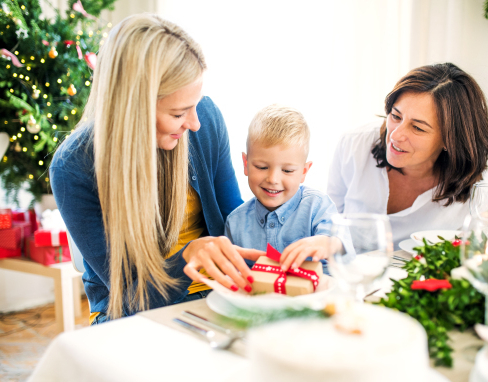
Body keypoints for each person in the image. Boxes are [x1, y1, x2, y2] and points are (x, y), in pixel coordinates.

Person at [50, 14, 264, 324]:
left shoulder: (206, 119)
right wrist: (188, 256)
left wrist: (307, 227)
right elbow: (129, 298)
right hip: (134, 315)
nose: (195, 123)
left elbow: (240, 227)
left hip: (220, 295)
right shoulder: (74, 166)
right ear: (134, 109)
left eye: (195, 104)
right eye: (178, 113)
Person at [327, 63, 488, 247]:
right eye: (396, 116)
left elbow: (482, 262)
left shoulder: (480, 193)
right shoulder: (354, 144)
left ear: (450, 139)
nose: (395, 135)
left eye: (417, 128)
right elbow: (327, 226)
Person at [225, 104, 340, 272]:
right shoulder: (235, 223)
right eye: (261, 167)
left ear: (303, 172)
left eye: (287, 170)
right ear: (246, 164)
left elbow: (342, 247)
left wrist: (328, 242)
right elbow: (232, 276)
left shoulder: (317, 206)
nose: (273, 179)